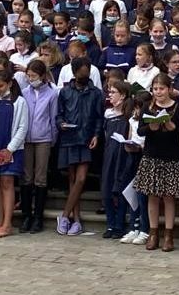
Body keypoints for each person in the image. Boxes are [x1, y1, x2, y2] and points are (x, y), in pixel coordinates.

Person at [135, 73, 179, 252]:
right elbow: (140, 130)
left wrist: (173, 128)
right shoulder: (147, 107)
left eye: (162, 89)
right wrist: (151, 127)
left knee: (168, 196)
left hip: (171, 156)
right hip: (152, 155)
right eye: (155, 89)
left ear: (169, 89)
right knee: (152, 195)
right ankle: (153, 233)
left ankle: (169, 234)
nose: (158, 92)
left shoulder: (178, 108)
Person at [56, 57, 104, 236]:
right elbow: (59, 114)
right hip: (69, 137)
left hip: (85, 138)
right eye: (82, 72)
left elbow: (99, 117)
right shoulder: (65, 92)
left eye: (88, 71)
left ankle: (64, 215)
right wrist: (61, 124)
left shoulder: (96, 93)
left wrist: (96, 135)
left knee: (81, 178)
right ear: (75, 73)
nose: (85, 74)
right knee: (72, 179)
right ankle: (76, 220)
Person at [18, 60, 58, 233]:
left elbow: (53, 117)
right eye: (28, 76)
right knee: (26, 177)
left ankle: (38, 216)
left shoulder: (51, 93)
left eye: (33, 76)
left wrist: (52, 139)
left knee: (40, 178)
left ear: (42, 76)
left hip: (43, 138)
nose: (30, 78)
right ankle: (26, 215)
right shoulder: (24, 92)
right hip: (26, 138)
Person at [0, 68, 28, 238]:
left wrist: (10, 149)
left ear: (10, 84)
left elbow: (22, 127)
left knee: (7, 182)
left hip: (12, 149)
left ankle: (7, 224)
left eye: (0, 86)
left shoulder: (20, 102)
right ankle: (0, 220)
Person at [101, 80, 133, 239]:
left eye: (113, 92)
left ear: (123, 95)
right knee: (106, 190)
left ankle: (119, 225)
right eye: (110, 92)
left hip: (123, 156)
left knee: (120, 190)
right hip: (109, 155)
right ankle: (110, 223)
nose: (110, 95)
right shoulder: (108, 115)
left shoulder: (128, 116)